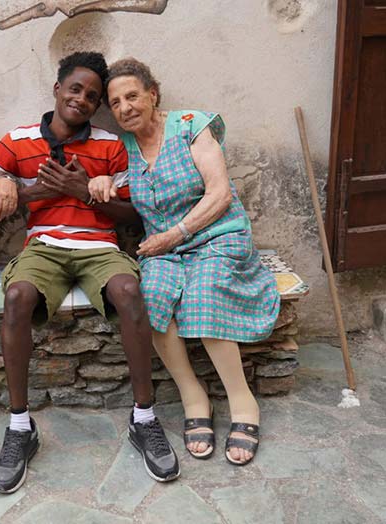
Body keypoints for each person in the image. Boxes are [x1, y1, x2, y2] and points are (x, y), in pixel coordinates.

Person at [0, 51, 180, 493]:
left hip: (99, 247)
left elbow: (133, 214)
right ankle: (20, 427)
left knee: (129, 290)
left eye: (93, 96)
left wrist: (87, 192)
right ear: (58, 89)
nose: (81, 99)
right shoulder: (19, 140)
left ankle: (144, 417)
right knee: (17, 296)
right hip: (44, 247)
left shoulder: (110, 145)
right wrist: (24, 191)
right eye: (75, 89)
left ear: (98, 106)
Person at [90, 57, 280, 466]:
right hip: (164, 250)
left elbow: (220, 193)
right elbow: (107, 179)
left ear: (153, 94)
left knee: (203, 295)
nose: (125, 107)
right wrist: (103, 180)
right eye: (116, 102)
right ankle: (194, 396)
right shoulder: (121, 148)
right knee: (151, 300)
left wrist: (176, 234)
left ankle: (242, 401)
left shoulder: (192, 126)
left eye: (132, 96)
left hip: (216, 235)